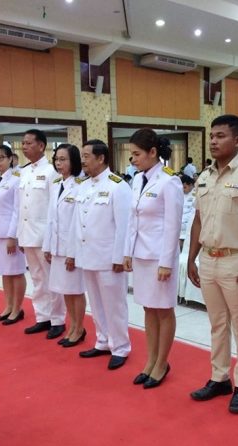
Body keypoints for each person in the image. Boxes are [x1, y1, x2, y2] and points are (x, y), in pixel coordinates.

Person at [187, 114, 238, 414]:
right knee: (217, 324)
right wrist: (192, 257)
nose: (213, 141)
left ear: (237, 140)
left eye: (220, 136)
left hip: (237, 260)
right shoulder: (204, 176)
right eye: (212, 136)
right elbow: (198, 220)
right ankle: (219, 378)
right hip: (209, 259)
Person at [123, 129, 184, 388]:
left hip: (160, 257)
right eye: (131, 154)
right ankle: (151, 360)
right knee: (148, 308)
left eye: (137, 154)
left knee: (163, 310)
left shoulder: (170, 181)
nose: (133, 159)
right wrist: (127, 251)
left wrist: (166, 263)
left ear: (152, 152)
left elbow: (173, 225)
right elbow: (132, 219)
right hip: (141, 255)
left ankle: (162, 363)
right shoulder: (138, 179)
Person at [68, 139, 133, 370]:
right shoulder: (83, 186)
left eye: (87, 156)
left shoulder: (118, 186)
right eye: (82, 156)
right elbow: (77, 223)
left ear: (101, 158)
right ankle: (103, 341)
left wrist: (119, 257)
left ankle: (121, 347)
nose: (83, 161)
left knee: (115, 305)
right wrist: (73, 253)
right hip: (87, 255)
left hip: (108, 258)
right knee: (96, 303)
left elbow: (124, 225)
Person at [17, 129, 67, 339]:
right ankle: (43, 317)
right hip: (27, 234)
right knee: (37, 278)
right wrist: (19, 235)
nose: (24, 146)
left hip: (44, 235)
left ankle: (57, 320)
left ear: (41, 146)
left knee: (51, 279)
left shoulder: (51, 171)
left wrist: (51, 238)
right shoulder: (24, 172)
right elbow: (21, 206)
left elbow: (55, 207)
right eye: (23, 143)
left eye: (29, 143)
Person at [42, 144, 87, 347]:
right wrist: (47, 246)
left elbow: (78, 224)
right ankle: (72, 326)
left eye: (63, 159)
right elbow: (51, 219)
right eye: (56, 159)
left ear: (74, 161)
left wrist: (73, 253)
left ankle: (79, 328)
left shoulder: (80, 185)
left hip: (72, 249)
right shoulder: (56, 184)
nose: (59, 163)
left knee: (75, 290)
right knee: (65, 290)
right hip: (57, 247)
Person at [0, 145, 27, 326]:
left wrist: (12, 236)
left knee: (16, 272)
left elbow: (17, 210)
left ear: (10, 159)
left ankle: (17, 309)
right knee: (4, 272)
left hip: (9, 233)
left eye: (1, 157)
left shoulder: (17, 180)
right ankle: (8, 306)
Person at [180, 174, 196, 248]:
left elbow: (193, 214)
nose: (183, 190)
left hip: (188, 227)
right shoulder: (180, 194)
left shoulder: (196, 194)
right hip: (180, 226)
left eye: (185, 187)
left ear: (191, 185)